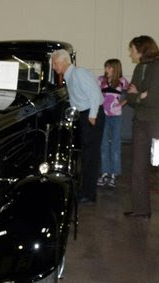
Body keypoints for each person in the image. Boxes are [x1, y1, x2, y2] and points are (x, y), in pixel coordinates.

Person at [123, 35, 159, 218]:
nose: (130, 53)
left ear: (142, 50)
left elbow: (155, 98)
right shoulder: (138, 68)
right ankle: (141, 210)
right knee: (138, 167)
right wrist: (140, 95)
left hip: (157, 121)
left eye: (132, 49)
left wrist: (140, 95)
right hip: (140, 121)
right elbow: (130, 96)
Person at [51, 49, 105, 204]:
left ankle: (89, 194)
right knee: (87, 155)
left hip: (91, 115)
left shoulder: (78, 73)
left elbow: (95, 93)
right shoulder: (70, 76)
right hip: (85, 114)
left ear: (63, 61)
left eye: (55, 63)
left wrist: (93, 115)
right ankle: (85, 192)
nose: (54, 67)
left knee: (91, 156)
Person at [97, 59, 129, 188]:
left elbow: (131, 93)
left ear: (115, 69)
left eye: (109, 68)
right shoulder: (100, 80)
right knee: (103, 144)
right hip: (103, 115)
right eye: (106, 67)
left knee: (115, 145)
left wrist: (121, 104)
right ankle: (105, 173)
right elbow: (94, 94)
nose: (106, 70)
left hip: (116, 116)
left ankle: (114, 175)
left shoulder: (122, 81)